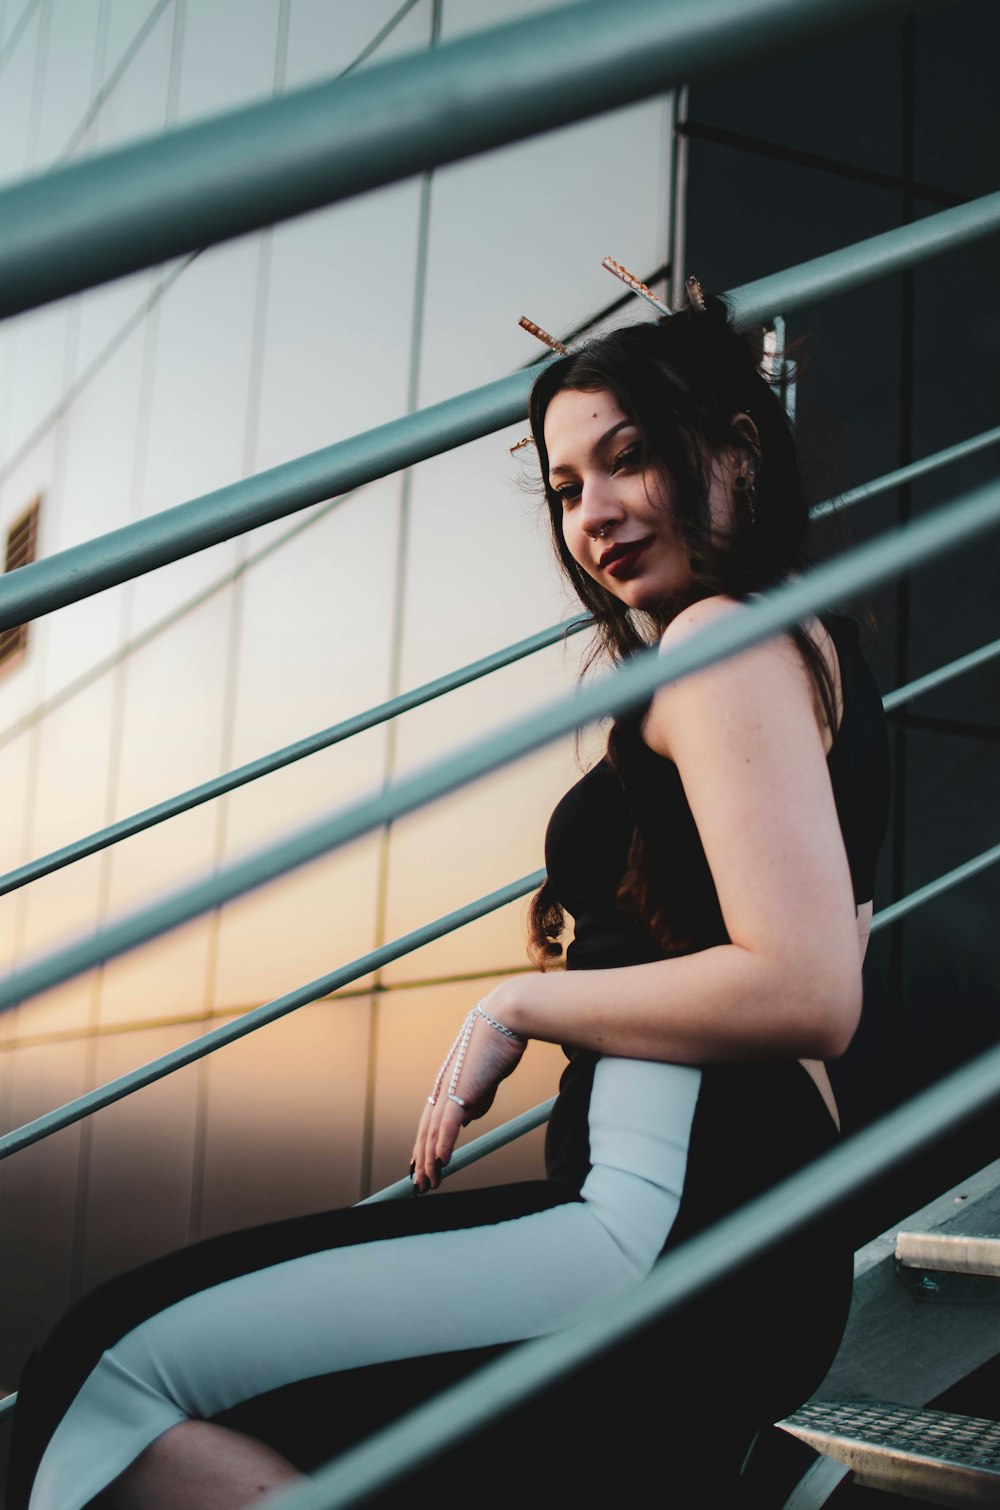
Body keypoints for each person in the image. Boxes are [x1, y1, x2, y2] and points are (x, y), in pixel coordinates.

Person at [6, 289, 891, 1509]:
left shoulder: (724, 641)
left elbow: (805, 988)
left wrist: (521, 1002)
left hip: (657, 1239)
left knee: (104, 1377)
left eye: (627, 457)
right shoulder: (802, 647)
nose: (594, 514)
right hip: (710, 1234)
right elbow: (813, 968)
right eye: (565, 486)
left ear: (736, 448)